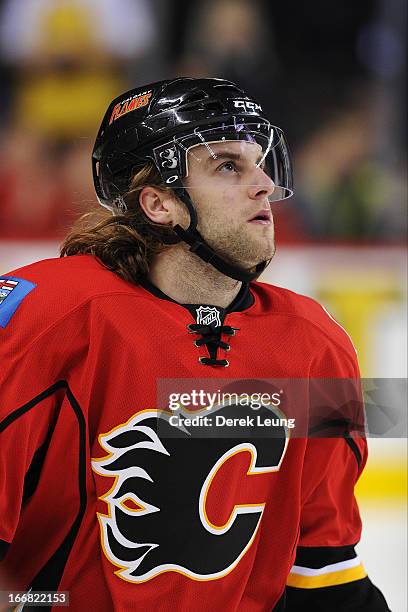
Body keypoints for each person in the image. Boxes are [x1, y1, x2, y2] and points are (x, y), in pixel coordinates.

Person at [0, 78, 390, 611]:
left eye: (261, 163)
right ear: (159, 203)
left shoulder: (318, 345)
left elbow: (322, 572)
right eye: (228, 165)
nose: (263, 186)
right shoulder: (47, 315)